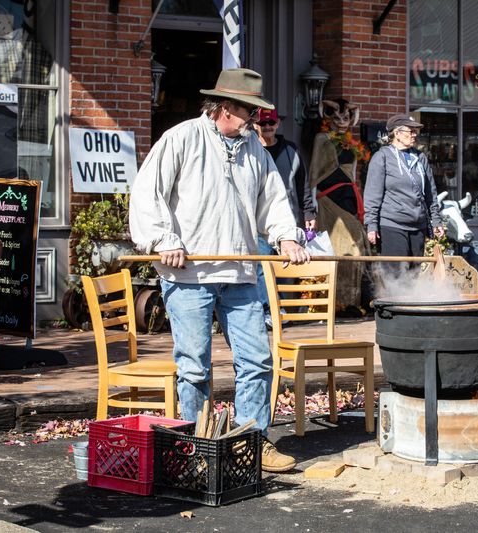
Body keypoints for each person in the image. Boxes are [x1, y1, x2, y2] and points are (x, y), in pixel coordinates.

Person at [129, 68, 310, 473]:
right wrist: (163, 240)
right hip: (189, 276)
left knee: (257, 361)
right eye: (251, 111)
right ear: (225, 107)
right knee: (194, 367)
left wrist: (286, 237)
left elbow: (274, 202)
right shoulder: (181, 138)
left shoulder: (256, 151)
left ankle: (251, 443)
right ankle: (195, 448)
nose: (257, 120)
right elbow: (147, 193)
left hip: (241, 273)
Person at [253, 107, 316, 328]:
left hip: (288, 219)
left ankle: (285, 308)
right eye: (263, 124)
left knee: (286, 266)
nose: (267, 127)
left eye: (271, 123)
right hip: (258, 221)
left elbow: (303, 184)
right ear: (255, 125)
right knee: (262, 266)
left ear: (278, 124)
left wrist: (309, 212)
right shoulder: (251, 150)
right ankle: (268, 309)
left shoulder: (291, 150)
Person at [310, 98, 369, 314]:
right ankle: (332, 301)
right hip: (328, 201)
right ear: (329, 118)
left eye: (346, 117)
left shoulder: (350, 142)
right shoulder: (322, 138)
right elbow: (316, 173)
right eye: (337, 117)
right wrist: (311, 206)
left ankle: (350, 301)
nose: (342, 121)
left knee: (354, 247)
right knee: (337, 248)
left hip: (349, 198)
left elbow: (352, 175)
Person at [364, 113, 445, 260]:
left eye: (415, 131)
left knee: (412, 277)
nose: (414, 135)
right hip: (392, 225)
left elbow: (430, 192)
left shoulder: (420, 158)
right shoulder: (382, 157)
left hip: (418, 226)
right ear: (397, 133)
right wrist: (371, 225)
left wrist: (436, 220)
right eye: (411, 131)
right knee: (395, 276)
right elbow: (372, 195)